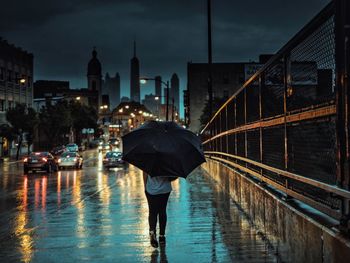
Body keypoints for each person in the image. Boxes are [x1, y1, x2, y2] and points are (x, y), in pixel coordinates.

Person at [143, 171, 176, 248]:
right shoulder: (167, 159)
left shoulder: (148, 159)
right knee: (162, 211)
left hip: (151, 189)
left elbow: (145, 173)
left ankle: (152, 232)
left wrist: (145, 187)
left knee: (152, 212)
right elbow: (173, 175)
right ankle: (162, 236)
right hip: (165, 189)